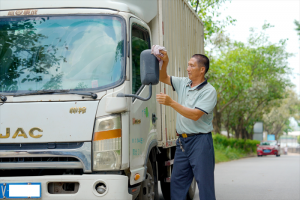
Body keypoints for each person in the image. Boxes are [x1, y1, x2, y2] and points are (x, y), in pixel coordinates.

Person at [156, 50, 217, 200]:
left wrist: (171, 103)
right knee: (177, 183)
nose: (187, 68)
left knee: (205, 184)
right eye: (188, 65)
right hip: (182, 142)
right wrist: (165, 62)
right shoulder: (183, 83)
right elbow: (162, 77)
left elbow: (195, 115)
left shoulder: (209, 91)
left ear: (202, 70)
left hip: (200, 142)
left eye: (191, 65)